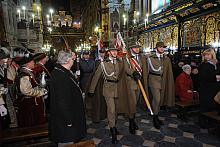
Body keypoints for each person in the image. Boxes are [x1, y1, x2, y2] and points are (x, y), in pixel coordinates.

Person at [49, 51, 86, 147]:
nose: (73, 61)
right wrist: (68, 120)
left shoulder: (63, 71)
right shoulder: (60, 76)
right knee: (66, 141)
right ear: (68, 61)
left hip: (69, 115)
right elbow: (62, 101)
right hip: (65, 120)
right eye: (72, 59)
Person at [88, 46, 124, 144]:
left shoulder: (120, 62)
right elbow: (96, 77)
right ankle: (112, 130)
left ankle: (114, 126)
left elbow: (124, 72)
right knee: (111, 110)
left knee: (116, 110)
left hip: (117, 89)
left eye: (116, 51)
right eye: (113, 51)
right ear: (108, 52)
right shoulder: (103, 64)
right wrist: (91, 90)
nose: (115, 53)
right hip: (108, 89)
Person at [147, 42, 175, 129]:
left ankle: (156, 115)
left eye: (163, 47)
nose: (162, 49)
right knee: (157, 99)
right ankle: (155, 118)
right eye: (160, 47)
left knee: (160, 99)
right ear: (156, 48)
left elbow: (168, 71)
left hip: (163, 80)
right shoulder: (149, 58)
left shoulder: (166, 59)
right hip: (153, 80)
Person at [123, 40, 148, 134]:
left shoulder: (141, 57)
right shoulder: (127, 58)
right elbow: (126, 69)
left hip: (139, 83)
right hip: (131, 83)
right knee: (132, 104)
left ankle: (133, 119)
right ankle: (131, 122)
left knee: (136, 103)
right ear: (131, 49)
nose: (137, 49)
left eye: (138, 47)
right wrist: (133, 73)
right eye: (135, 47)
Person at [15, 54, 47, 127]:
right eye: (32, 61)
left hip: (32, 103)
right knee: (30, 125)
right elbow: (26, 91)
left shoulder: (29, 72)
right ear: (28, 63)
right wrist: (41, 92)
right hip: (29, 104)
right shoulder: (24, 75)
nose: (34, 63)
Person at [85, 48, 107, 123]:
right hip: (97, 82)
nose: (102, 54)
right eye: (101, 53)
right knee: (98, 99)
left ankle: (104, 113)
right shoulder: (96, 61)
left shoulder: (107, 60)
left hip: (105, 81)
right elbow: (94, 72)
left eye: (103, 53)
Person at [199, 49, 220, 113]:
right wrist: (215, 77)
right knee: (205, 107)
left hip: (216, 88)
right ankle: (203, 122)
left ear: (212, 55)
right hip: (206, 89)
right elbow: (203, 77)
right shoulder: (203, 65)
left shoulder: (217, 64)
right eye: (205, 55)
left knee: (214, 107)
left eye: (208, 54)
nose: (206, 56)